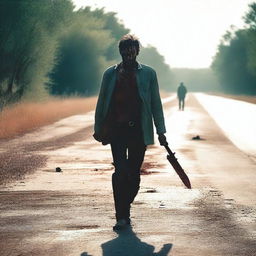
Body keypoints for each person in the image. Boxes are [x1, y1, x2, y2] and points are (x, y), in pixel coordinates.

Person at [93, 34, 167, 231]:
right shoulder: (110, 74)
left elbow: (155, 104)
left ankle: (126, 203)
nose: (128, 53)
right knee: (120, 172)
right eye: (125, 50)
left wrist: (161, 131)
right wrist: (98, 128)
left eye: (132, 50)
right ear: (121, 52)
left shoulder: (149, 74)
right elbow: (101, 103)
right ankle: (122, 217)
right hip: (117, 130)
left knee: (133, 175)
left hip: (138, 131)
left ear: (137, 52)